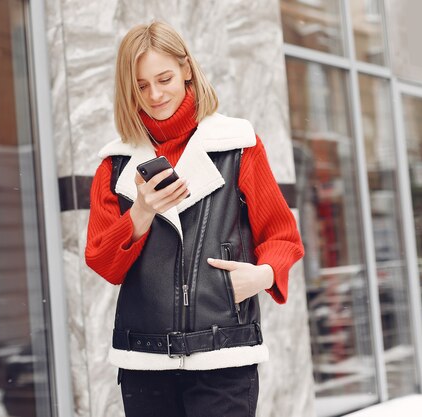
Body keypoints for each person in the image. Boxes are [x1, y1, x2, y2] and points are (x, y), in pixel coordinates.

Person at [85, 20, 304, 417]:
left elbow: (283, 236)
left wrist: (262, 275)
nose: (154, 94)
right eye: (140, 85)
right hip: (144, 362)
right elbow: (103, 262)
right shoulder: (115, 164)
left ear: (187, 68)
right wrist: (141, 210)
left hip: (224, 354)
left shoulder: (238, 145)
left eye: (164, 78)